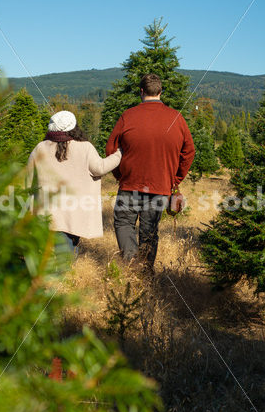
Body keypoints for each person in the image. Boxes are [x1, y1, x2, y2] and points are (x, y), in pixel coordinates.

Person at [105, 73, 195, 272]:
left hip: (130, 184)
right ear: (160, 92)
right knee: (149, 231)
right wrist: (174, 178)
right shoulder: (176, 118)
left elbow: (111, 149)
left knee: (123, 223)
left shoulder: (128, 116)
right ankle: (145, 272)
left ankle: (131, 266)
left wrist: (121, 175)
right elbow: (188, 152)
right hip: (160, 186)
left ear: (141, 92)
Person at [26, 110, 121, 255]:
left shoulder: (40, 148)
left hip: (46, 210)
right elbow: (100, 168)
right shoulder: (85, 147)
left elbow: (28, 179)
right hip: (75, 210)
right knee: (66, 250)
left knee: (52, 250)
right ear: (74, 127)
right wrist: (119, 153)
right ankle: (61, 276)